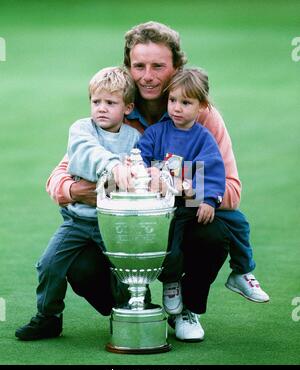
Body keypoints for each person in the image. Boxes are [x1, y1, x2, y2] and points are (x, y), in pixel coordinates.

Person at [23, 21, 269, 342]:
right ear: (128, 67)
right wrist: (78, 190)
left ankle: (186, 308)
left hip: (179, 218)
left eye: (158, 66)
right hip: (127, 226)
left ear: (177, 67)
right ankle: (135, 311)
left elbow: (231, 192)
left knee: (214, 231)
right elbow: (59, 179)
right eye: (138, 66)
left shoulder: (202, 116)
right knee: (80, 267)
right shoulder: (115, 107)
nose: (148, 76)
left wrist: (171, 183)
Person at [15, 66, 141, 340]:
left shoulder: (135, 139)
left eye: (111, 103)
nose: (102, 109)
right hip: (77, 220)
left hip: (114, 222)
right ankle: (49, 316)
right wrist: (112, 167)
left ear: (128, 107)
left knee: (123, 272)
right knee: (49, 264)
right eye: (96, 102)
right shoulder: (81, 129)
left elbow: (137, 176)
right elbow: (85, 155)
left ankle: (126, 316)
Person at [137, 68, 226, 323]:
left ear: (202, 106)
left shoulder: (203, 138)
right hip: (158, 209)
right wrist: (147, 172)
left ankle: (188, 301)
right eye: (172, 100)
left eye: (185, 103)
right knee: (168, 249)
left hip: (188, 210)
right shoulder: (156, 133)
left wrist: (209, 199)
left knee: (219, 237)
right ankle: (170, 281)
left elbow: (212, 169)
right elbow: (141, 158)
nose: (176, 108)